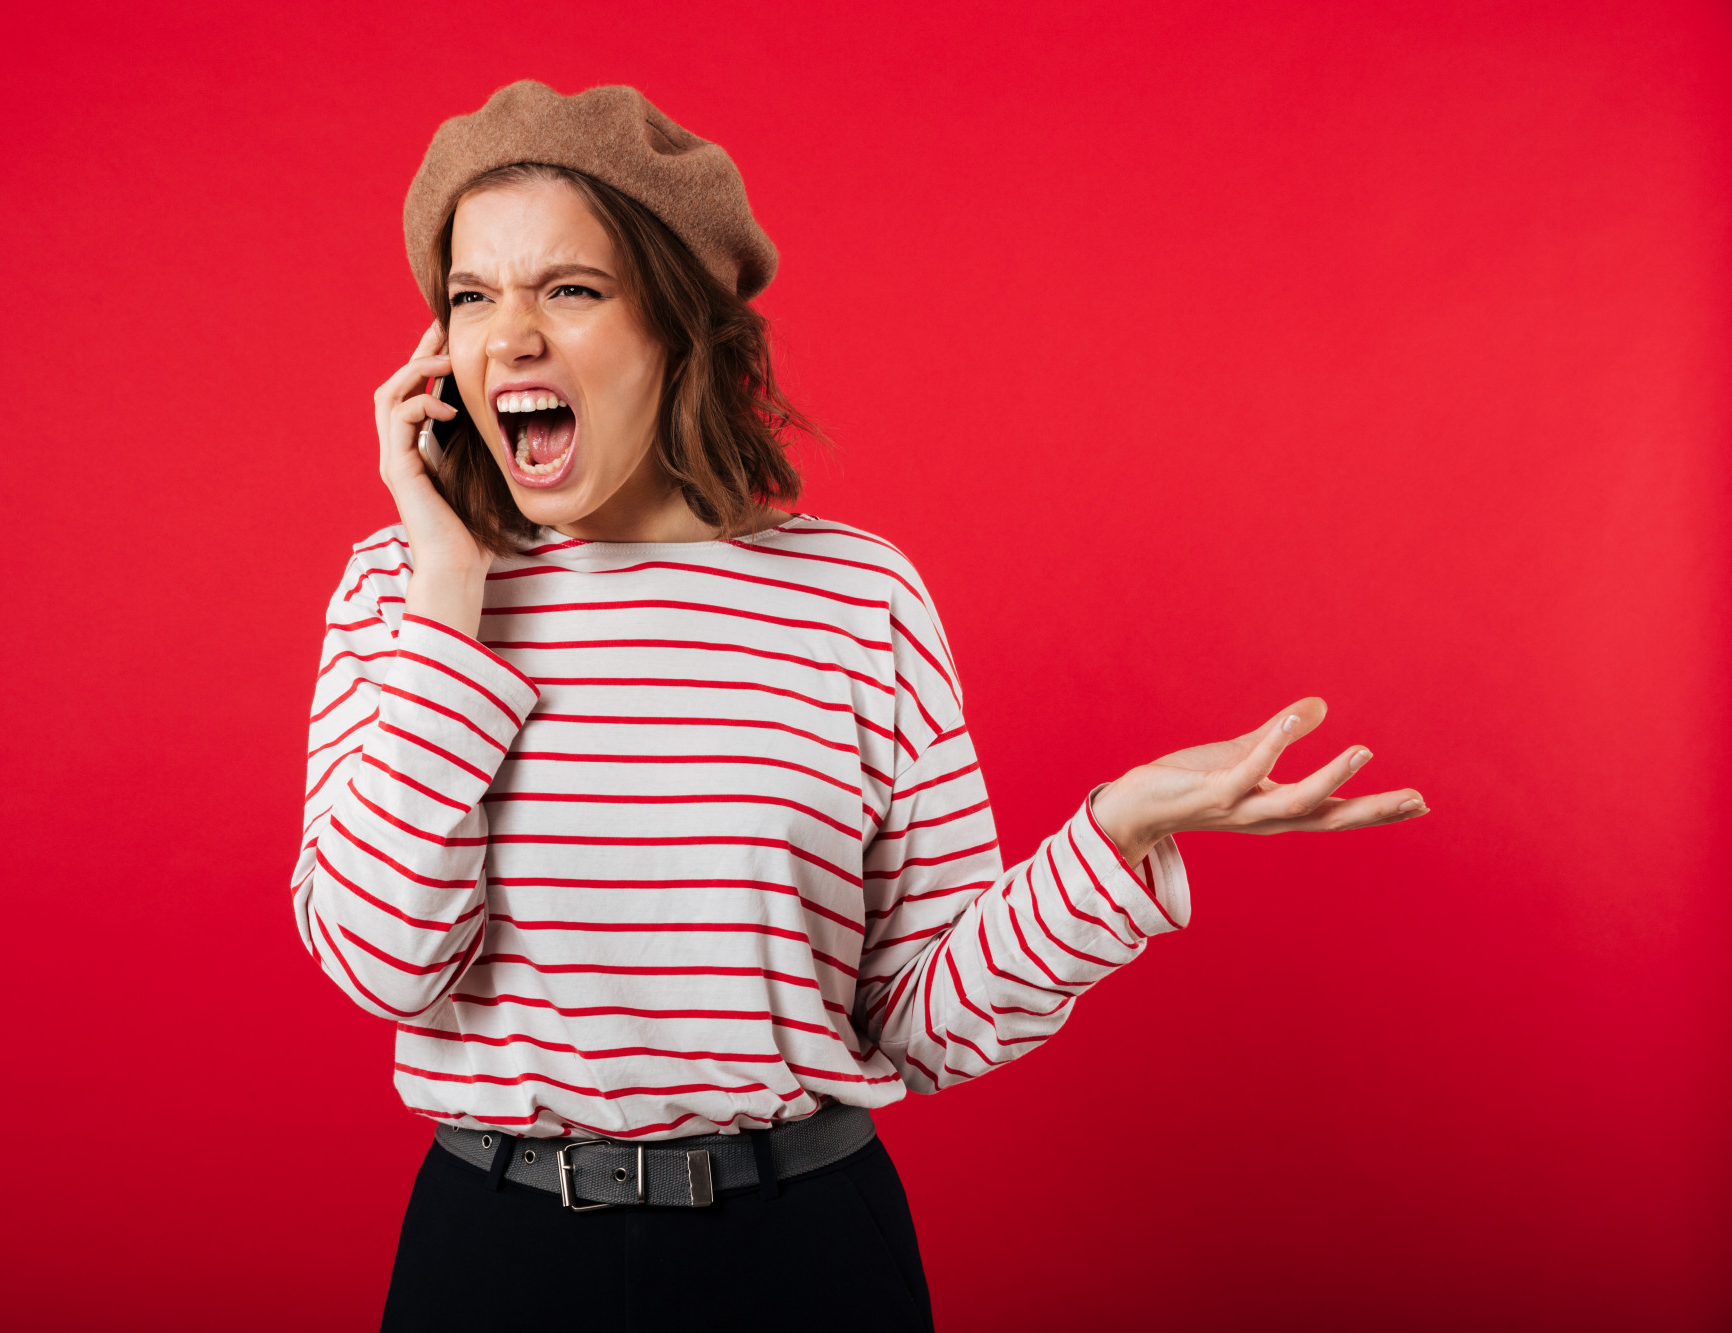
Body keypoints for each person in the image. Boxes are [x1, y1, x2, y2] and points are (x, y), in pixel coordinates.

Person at [292, 81, 1428, 1333]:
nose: (507, 337)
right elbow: (385, 964)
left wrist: (1111, 838)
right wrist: (453, 590)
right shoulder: (402, 588)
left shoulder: (853, 597)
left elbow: (917, 1019)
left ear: (679, 325)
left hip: (799, 1259)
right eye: (470, 295)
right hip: (495, 1262)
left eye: (570, 288)